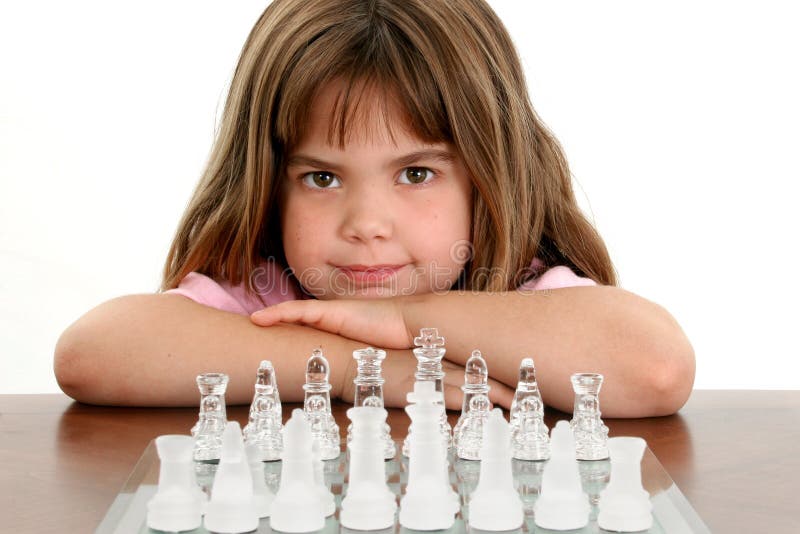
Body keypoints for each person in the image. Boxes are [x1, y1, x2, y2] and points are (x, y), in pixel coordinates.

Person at [54, 0, 694, 417]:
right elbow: (91, 353)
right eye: (322, 177)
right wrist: (359, 367)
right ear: (269, 182)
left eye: (416, 173)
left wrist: (409, 322)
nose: (366, 226)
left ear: (488, 177)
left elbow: (656, 367)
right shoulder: (269, 294)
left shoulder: (518, 286)